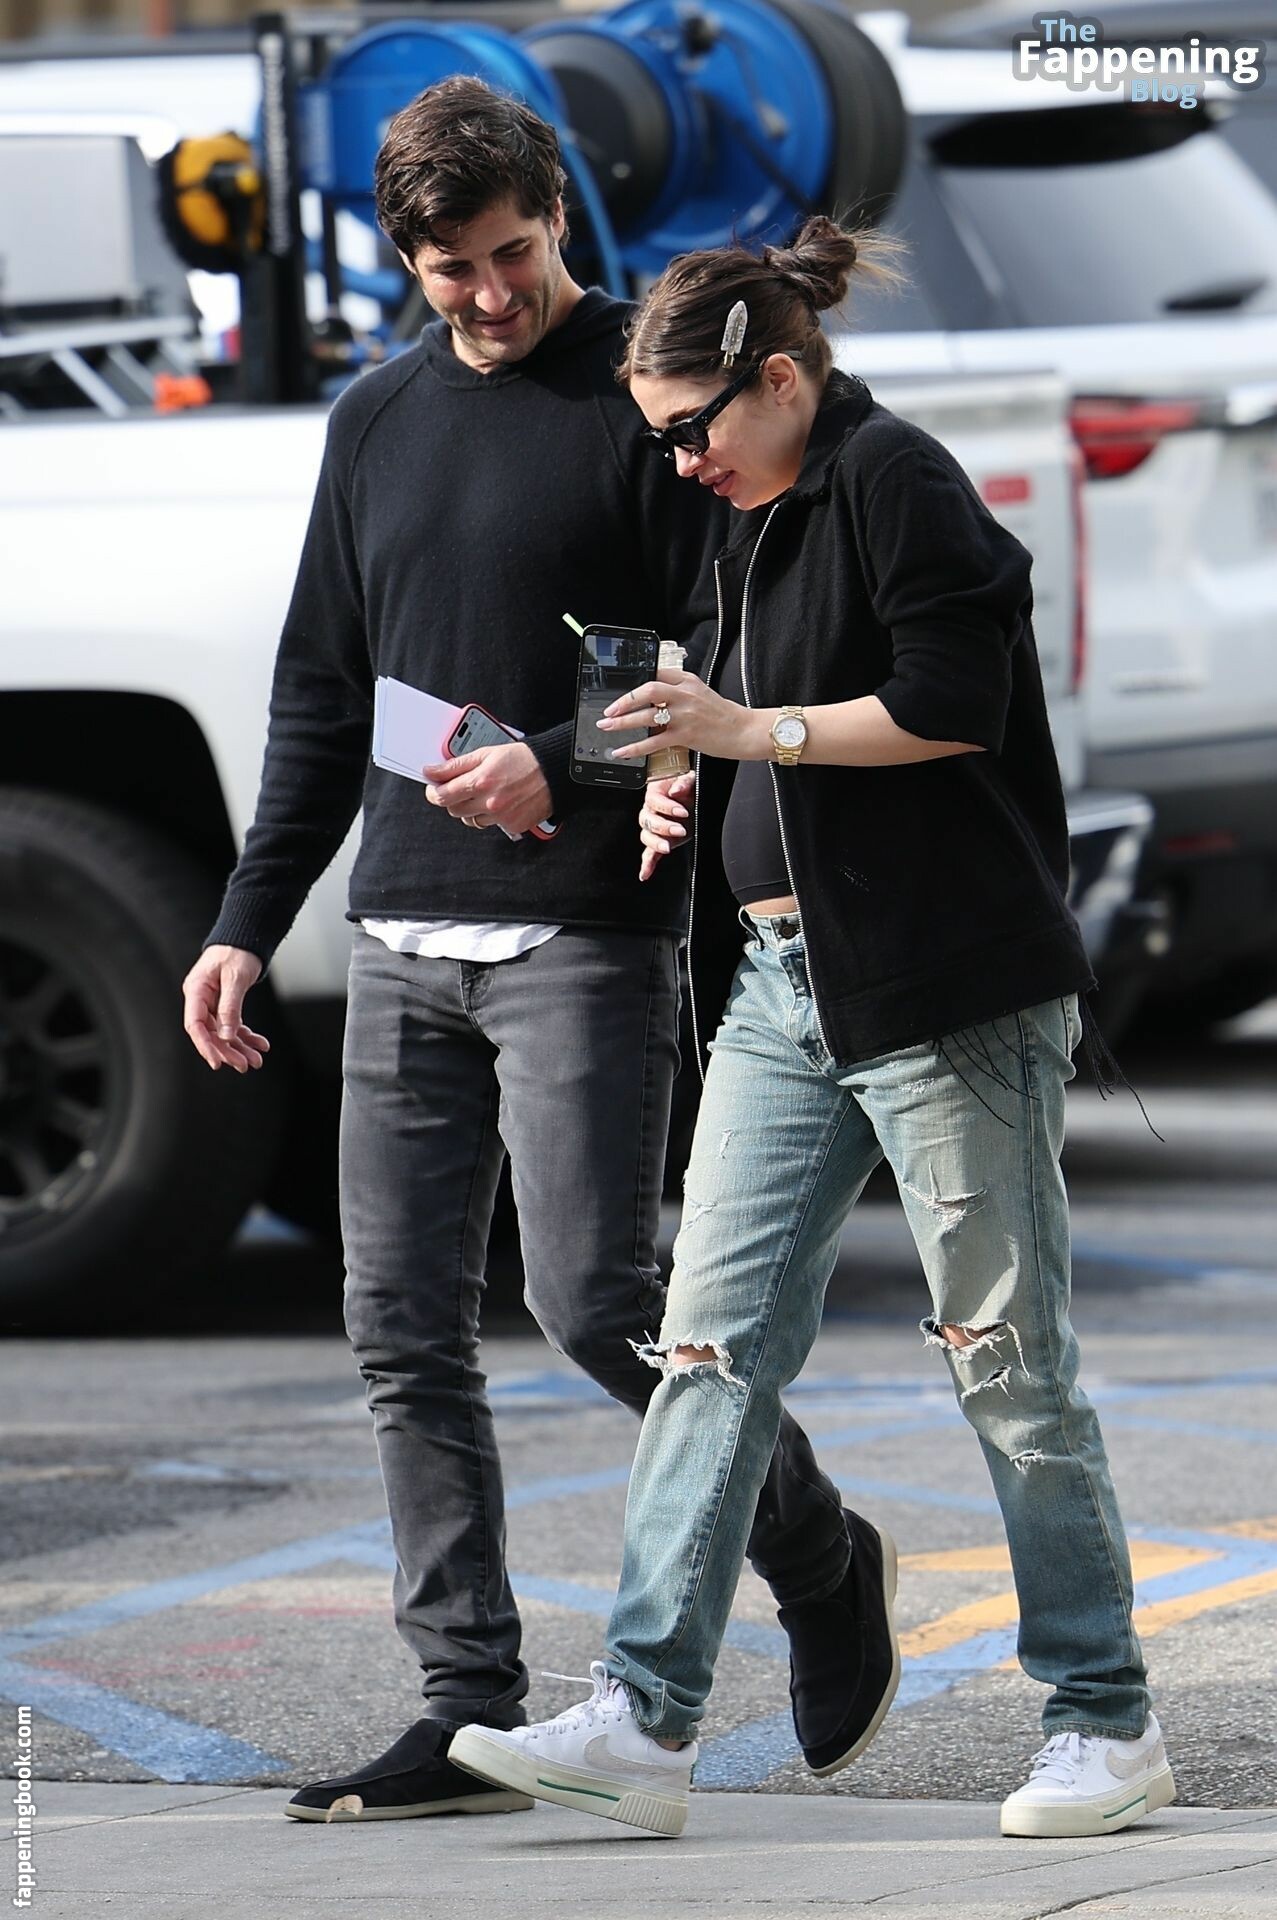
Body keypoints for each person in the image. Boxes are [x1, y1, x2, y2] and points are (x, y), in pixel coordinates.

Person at [181, 84, 897, 1825]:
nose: (491, 293)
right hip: (401, 928)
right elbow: (319, 694)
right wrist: (243, 924)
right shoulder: (375, 418)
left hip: (586, 921)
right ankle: (463, 1702)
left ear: (556, 214)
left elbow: (724, 643)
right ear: (404, 260)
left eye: (512, 253)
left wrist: (565, 761)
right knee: (399, 1332)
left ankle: (816, 1553)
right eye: (452, 269)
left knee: (595, 1306)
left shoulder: (640, 396)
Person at [450, 217, 1176, 1841]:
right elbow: (739, 713)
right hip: (787, 990)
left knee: (1004, 1361)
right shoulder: (751, 514)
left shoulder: (891, 478)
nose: (679, 463)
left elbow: (945, 704)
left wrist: (742, 729)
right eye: (661, 439)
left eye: (689, 429)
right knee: (705, 1349)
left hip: (944, 991)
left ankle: (1102, 1717)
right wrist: (674, 768)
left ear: (776, 380)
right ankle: (643, 1719)